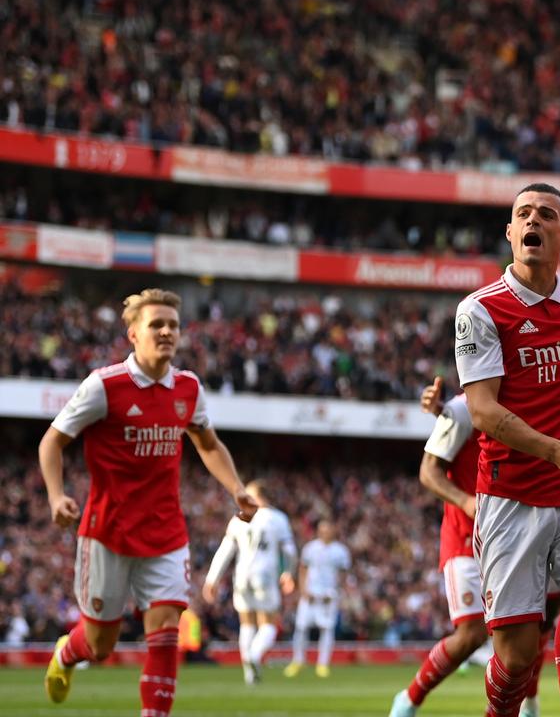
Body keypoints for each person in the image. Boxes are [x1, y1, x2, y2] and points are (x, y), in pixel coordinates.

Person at [39, 288, 257, 717]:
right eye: (156, 324)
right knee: (100, 645)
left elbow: (208, 444)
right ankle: (68, 654)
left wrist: (236, 487)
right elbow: (52, 442)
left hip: (166, 533)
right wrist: (55, 494)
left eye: (173, 325)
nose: (166, 332)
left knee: (166, 633)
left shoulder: (188, 388)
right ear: (133, 333)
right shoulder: (104, 386)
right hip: (107, 533)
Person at [454, 183, 560, 716]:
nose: (534, 221)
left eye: (546, 215)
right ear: (509, 232)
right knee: (518, 656)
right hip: (512, 495)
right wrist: (555, 452)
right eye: (523, 214)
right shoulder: (479, 310)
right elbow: (482, 411)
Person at [390, 379, 559, 717]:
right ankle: (408, 700)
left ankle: (529, 704)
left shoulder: (535, 397)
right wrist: (466, 501)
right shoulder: (462, 409)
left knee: (540, 621)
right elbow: (429, 471)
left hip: (523, 532)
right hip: (468, 537)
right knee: (471, 634)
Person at [203, 479, 297, 685]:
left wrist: (212, 579)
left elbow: (225, 550)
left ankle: (249, 672)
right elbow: (289, 550)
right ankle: (253, 657)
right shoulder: (277, 518)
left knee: (247, 624)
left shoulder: (240, 518)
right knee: (268, 623)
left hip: (242, 576)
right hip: (265, 575)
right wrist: (289, 573)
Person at [285, 519, 351, 678]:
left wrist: (336, 592)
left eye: (328, 529)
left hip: (328, 595)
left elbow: (344, 574)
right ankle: (298, 660)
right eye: (322, 529)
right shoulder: (310, 548)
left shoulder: (340, 551)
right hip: (310, 593)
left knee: (327, 629)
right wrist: (303, 590)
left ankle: (323, 664)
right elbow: (302, 569)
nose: (325, 532)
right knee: (301, 627)